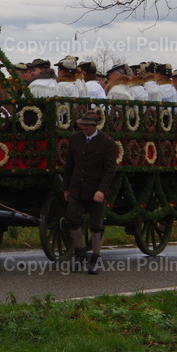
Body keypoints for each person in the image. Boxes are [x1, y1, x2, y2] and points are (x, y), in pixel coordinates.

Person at [63, 109, 118, 274]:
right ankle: (80, 252)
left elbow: (109, 170)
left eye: (88, 126)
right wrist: (66, 188)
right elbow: (69, 165)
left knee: (96, 225)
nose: (85, 128)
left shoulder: (107, 142)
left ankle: (95, 257)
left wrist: (101, 190)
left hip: (96, 189)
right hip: (77, 189)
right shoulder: (75, 139)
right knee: (72, 220)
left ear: (96, 126)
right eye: (83, 125)